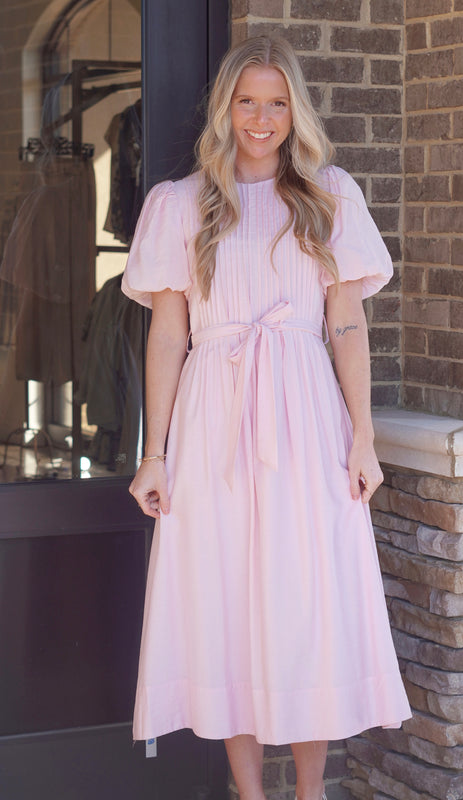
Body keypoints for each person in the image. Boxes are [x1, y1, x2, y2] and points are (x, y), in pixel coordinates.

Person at [123, 35, 410, 800]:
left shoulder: (329, 193)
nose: (261, 118)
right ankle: (250, 795)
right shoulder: (179, 204)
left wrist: (362, 438)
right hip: (213, 418)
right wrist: (155, 454)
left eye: (276, 102)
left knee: (304, 601)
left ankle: (309, 792)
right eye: (247, 101)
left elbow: (346, 323)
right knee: (226, 603)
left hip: (306, 417)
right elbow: (167, 334)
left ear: (294, 110)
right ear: (225, 108)